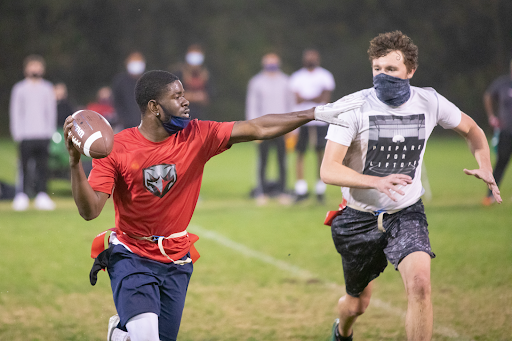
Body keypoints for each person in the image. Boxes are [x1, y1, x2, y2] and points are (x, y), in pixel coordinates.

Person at [63, 70, 346, 341]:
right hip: (132, 255)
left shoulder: (197, 135)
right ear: (154, 107)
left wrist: (313, 113)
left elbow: (258, 127)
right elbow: (90, 211)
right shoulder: (118, 148)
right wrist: (75, 164)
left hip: (176, 259)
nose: (186, 101)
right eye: (177, 96)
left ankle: (121, 334)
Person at [320, 31, 502, 341]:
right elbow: (328, 169)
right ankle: (342, 331)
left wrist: (485, 162)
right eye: (377, 69)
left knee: (420, 284)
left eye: (391, 70)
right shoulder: (351, 107)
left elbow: (472, 129)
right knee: (357, 304)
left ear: (410, 70)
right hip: (357, 219)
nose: (383, 76)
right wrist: (375, 180)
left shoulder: (428, 100)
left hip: (404, 212)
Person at [245, 53, 295, 205]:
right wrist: (252, 128)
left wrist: (292, 127)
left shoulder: (286, 81)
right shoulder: (256, 82)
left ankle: (283, 192)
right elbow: (252, 106)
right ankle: (261, 192)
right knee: (263, 161)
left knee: (282, 161)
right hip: (263, 128)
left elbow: (291, 105)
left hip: (282, 128)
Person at [9, 54, 57, 211]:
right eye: (32, 66)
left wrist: (50, 131)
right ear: (26, 69)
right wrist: (17, 132)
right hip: (26, 134)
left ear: (42, 69)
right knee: (24, 166)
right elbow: (15, 111)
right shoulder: (19, 88)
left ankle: (42, 194)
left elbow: (50, 112)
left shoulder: (47, 88)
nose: (35, 69)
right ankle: (21, 195)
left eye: (38, 66)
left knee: (42, 166)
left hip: (43, 134)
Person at [289, 49, 335, 203]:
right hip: (301, 120)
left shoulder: (325, 75)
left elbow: (325, 98)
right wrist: (315, 97)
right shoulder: (297, 77)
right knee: (300, 153)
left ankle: (319, 188)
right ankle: (300, 188)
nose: (311, 60)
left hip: (320, 119)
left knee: (320, 153)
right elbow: (296, 99)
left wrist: (307, 98)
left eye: (313, 57)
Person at [482, 58, 512, 206]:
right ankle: (490, 196)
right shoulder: (503, 83)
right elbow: (488, 95)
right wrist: (491, 117)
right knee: (501, 163)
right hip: (506, 132)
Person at [172, 44, 211, 120]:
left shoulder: (206, 75)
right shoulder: (178, 74)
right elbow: (173, 97)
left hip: (199, 118)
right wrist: (195, 97)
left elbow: (208, 97)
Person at [112, 51, 146, 129]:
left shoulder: (149, 80)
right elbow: (117, 102)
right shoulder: (120, 82)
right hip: (127, 126)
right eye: (133, 62)